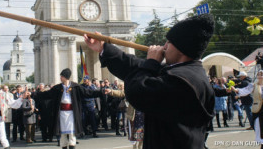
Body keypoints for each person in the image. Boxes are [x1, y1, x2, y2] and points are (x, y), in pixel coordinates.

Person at [84, 14, 215, 149]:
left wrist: (152, 62)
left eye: (169, 42)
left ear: (181, 49)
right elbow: (134, 66)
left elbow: (137, 93)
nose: (164, 47)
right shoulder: (180, 71)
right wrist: (103, 47)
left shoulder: (184, 81)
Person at [35, 68, 103, 149]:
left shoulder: (76, 87)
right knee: (62, 134)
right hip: (61, 113)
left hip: (72, 113)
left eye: (61, 76)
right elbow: (47, 94)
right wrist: (35, 94)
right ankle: (63, 146)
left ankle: (72, 146)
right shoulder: (57, 88)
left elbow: (88, 93)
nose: (60, 78)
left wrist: (101, 92)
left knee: (72, 133)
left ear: (66, 77)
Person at [232, 70, 263, 148]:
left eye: (261, 74)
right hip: (259, 110)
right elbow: (245, 90)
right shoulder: (254, 85)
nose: (260, 76)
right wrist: (236, 90)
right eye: (259, 74)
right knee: (260, 128)